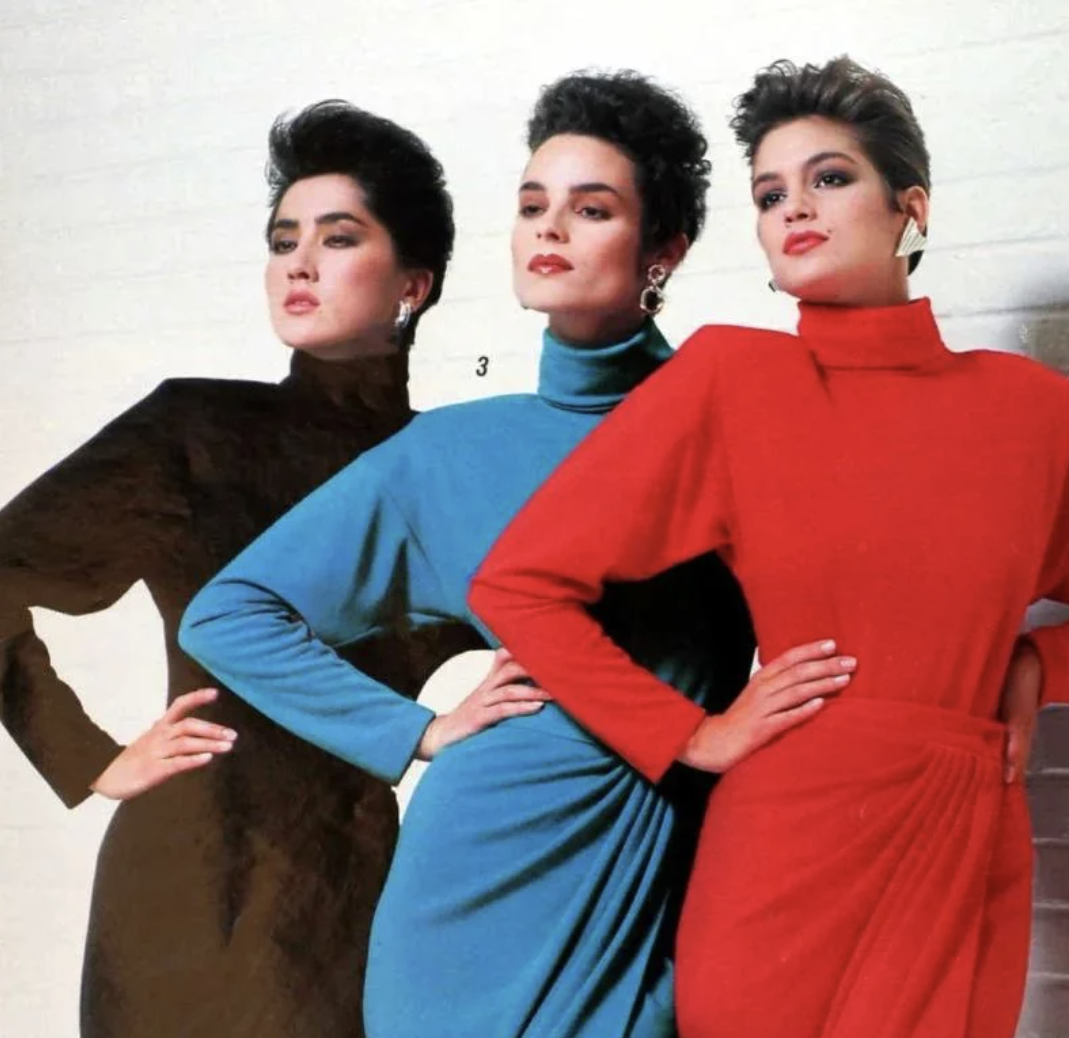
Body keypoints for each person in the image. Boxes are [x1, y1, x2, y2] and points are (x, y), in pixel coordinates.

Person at [468, 57, 1069, 1038]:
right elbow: (520, 583)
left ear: (911, 208)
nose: (794, 208)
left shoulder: (1032, 412)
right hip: (780, 852)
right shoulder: (733, 379)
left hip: (960, 834)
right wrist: (690, 735)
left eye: (828, 178)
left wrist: (1040, 663)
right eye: (769, 194)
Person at [180, 70, 849, 1038]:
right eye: (533, 206)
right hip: (474, 876)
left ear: (663, 250)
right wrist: (415, 733)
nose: (550, 229)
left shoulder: (737, 407)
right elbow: (229, 613)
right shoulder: (448, 451)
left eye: (591, 209)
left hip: (658, 862)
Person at [0, 100, 492, 1038]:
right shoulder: (195, 431)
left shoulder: (451, 464)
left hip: (356, 893)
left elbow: (578, 638)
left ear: (413, 284)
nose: (298, 264)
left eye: (337, 238)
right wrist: (86, 756)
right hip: (186, 883)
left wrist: (453, 736)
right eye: (282, 240)